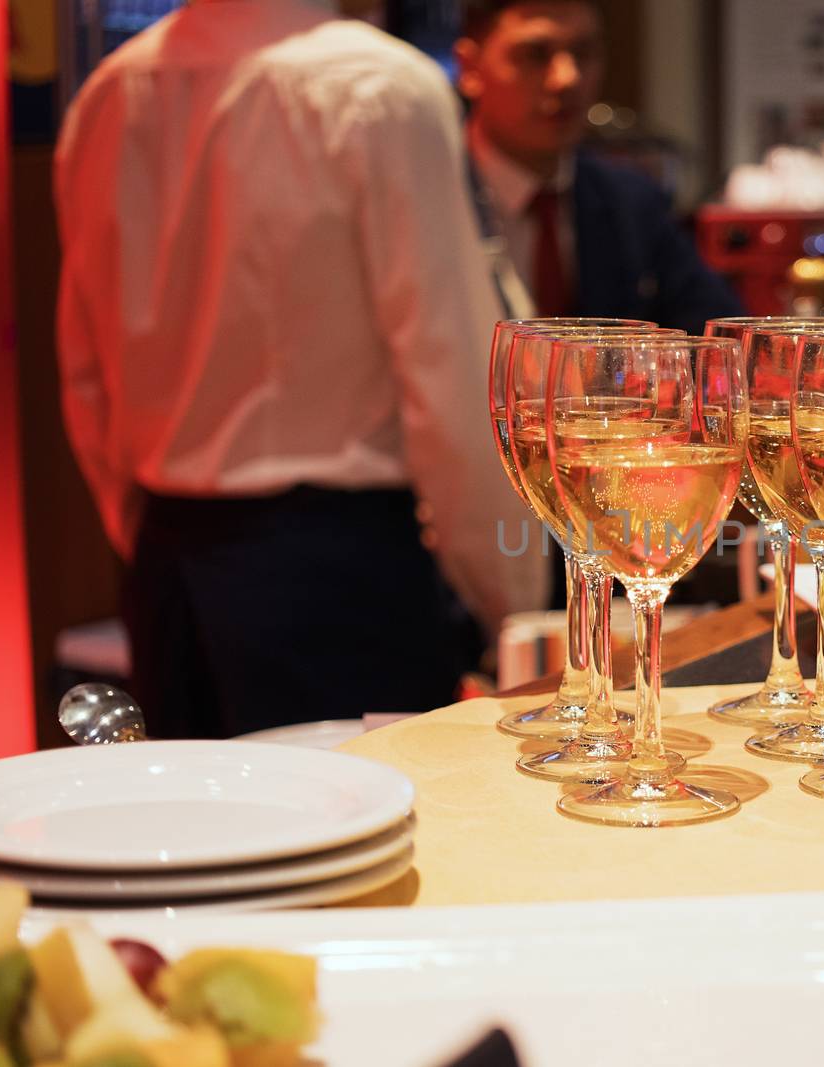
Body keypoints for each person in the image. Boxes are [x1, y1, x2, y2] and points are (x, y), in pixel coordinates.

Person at [55, 0, 544, 738]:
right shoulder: (379, 89)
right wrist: (516, 600)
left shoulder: (109, 96)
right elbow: (449, 371)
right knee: (377, 840)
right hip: (340, 575)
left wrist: (149, 532)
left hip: (170, 568)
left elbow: (86, 368)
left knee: (200, 840)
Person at [455, 0, 743, 334]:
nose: (567, 78)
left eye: (584, 52)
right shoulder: (428, 201)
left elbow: (720, 339)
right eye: (535, 54)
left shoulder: (632, 201)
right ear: (470, 67)